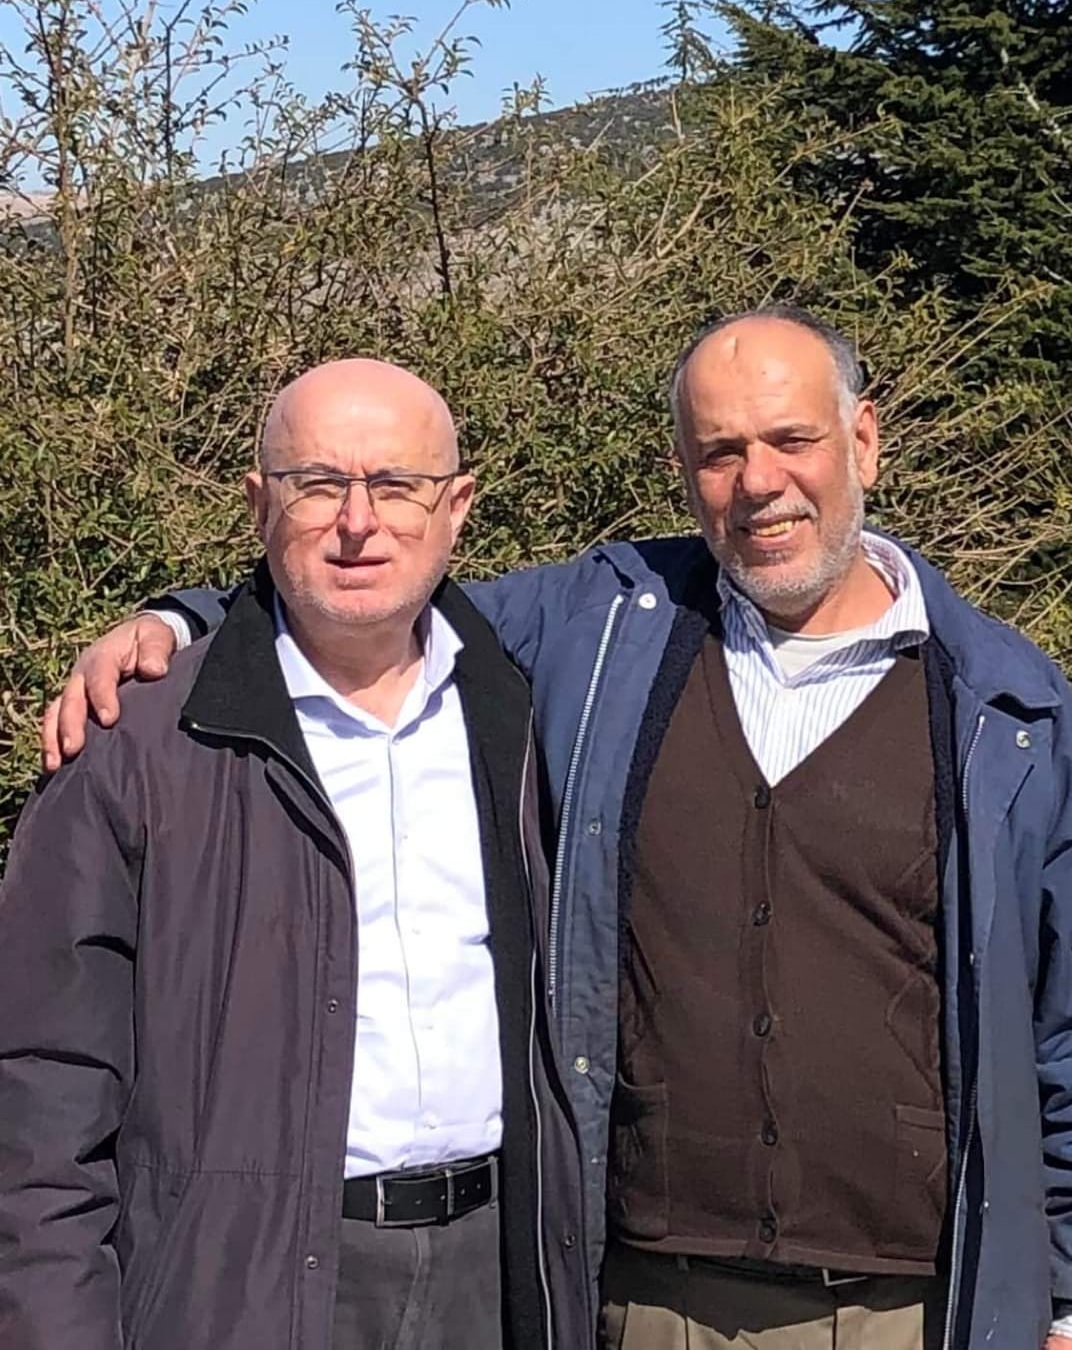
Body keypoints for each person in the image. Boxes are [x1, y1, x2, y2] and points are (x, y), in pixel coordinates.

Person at [41, 308, 1072, 1350]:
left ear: (863, 440)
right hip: (646, 1297)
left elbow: (1061, 1024)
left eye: (791, 439)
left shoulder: (1004, 711)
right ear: (683, 471)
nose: (758, 481)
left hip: (915, 1303)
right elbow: (369, 591)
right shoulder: (612, 629)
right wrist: (182, 621)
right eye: (720, 451)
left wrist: (1065, 1293)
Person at [0, 358, 590, 1350]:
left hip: (496, 1271)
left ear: (456, 507)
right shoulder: (138, 746)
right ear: (259, 504)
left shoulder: (530, 709)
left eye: (395, 485)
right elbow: (41, 1089)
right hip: (239, 1283)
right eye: (317, 483)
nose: (358, 522)